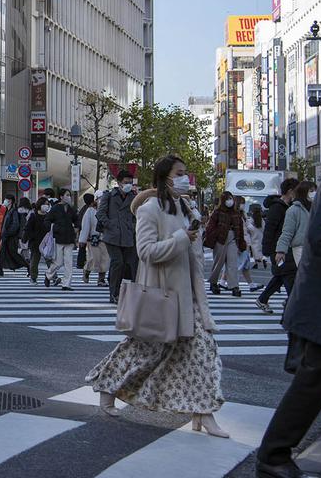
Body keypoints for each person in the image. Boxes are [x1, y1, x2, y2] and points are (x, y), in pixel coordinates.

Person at [87, 155, 228, 438]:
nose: (185, 177)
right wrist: (180, 239)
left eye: (185, 173)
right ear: (165, 177)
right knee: (142, 352)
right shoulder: (150, 209)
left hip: (188, 296)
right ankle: (106, 386)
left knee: (200, 353)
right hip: (163, 295)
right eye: (180, 173)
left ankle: (203, 414)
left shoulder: (185, 207)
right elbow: (146, 251)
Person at [256, 174, 321, 478]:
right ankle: (272, 455)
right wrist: (277, 251)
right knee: (312, 381)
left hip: (320, 300)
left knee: (313, 379)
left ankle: (273, 455)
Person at [256, 178, 300, 314]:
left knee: (282, 275)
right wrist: (268, 249)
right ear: (290, 191)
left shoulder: (287, 207)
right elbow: (270, 229)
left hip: (284, 248)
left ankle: (263, 299)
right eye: (297, 191)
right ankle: (292, 304)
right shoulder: (277, 207)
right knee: (288, 274)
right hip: (278, 248)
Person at [98, 170, 138, 304]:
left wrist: (132, 226)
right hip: (112, 236)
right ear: (119, 183)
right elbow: (100, 213)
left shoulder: (133, 197)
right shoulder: (108, 195)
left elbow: (137, 215)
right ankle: (113, 293)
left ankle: (124, 292)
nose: (128, 185)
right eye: (126, 182)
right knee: (117, 262)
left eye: (130, 183)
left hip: (128, 235)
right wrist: (110, 225)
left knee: (128, 265)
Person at [204, 191, 246, 297]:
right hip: (220, 238)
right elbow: (210, 227)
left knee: (233, 263)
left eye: (230, 198)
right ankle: (213, 283)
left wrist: (241, 242)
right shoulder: (217, 212)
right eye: (227, 199)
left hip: (233, 238)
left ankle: (234, 286)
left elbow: (240, 228)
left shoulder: (236, 213)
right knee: (218, 262)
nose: (230, 201)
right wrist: (215, 236)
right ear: (223, 201)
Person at [274, 181, 317, 281]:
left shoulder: (317, 208)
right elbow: (287, 232)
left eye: (315, 191)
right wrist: (281, 251)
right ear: (303, 192)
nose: (314, 193)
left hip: (316, 246)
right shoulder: (293, 210)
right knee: (308, 275)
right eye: (311, 191)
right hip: (300, 247)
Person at [44, 188, 79, 290]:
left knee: (69, 263)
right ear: (61, 196)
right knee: (58, 262)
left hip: (69, 238)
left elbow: (76, 219)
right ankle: (48, 275)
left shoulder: (71, 208)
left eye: (69, 195)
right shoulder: (55, 208)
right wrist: (53, 228)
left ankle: (66, 284)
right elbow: (47, 220)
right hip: (58, 238)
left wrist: (76, 227)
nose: (69, 197)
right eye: (67, 195)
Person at [79, 190, 110, 287]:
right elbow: (85, 226)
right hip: (93, 239)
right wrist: (82, 240)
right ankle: (86, 271)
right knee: (94, 259)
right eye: (100, 199)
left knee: (106, 259)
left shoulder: (108, 211)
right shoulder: (90, 211)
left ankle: (101, 279)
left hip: (105, 238)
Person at [0, 197, 30, 276]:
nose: (4, 201)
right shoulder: (8, 211)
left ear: (10, 201)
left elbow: (15, 225)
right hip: (6, 236)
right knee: (1, 252)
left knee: (13, 253)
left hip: (11, 237)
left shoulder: (13, 211)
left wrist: (8, 233)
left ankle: (28, 266)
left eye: (5, 200)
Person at [23, 197, 50, 283]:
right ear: (40, 205)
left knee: (50, 260)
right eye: (45, 204)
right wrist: (25, 238)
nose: (47, 206)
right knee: (34, 260)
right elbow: (27, 228)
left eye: (47, 204)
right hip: (35, 241)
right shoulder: (33, 216)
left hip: (46, 241)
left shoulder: (48, 216)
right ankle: (33, 277)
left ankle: (53, 276)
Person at [76, 192, 95, 273]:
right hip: (89, 232)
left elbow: (79, 220)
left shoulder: (83, 209)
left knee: (82, 248)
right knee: (90, 250)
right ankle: (84, 264)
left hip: (82, 231)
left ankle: (80, 263)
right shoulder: (91, 210)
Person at [247, 204, 268, 269]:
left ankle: (257, 262)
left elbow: (248, 227)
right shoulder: (261, 220)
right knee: (260, 249)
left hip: (253, 236)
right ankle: (263, 258)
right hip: (260, 236)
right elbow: (264, 228)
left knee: (254, 250)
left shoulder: (251, 219)